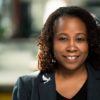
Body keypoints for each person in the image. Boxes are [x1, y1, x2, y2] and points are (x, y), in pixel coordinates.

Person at [12, 6, 100, 100]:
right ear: (50, 42)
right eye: (63, 38)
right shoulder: (27, 86)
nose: (71, 47)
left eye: (80, 39)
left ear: (90, 42)